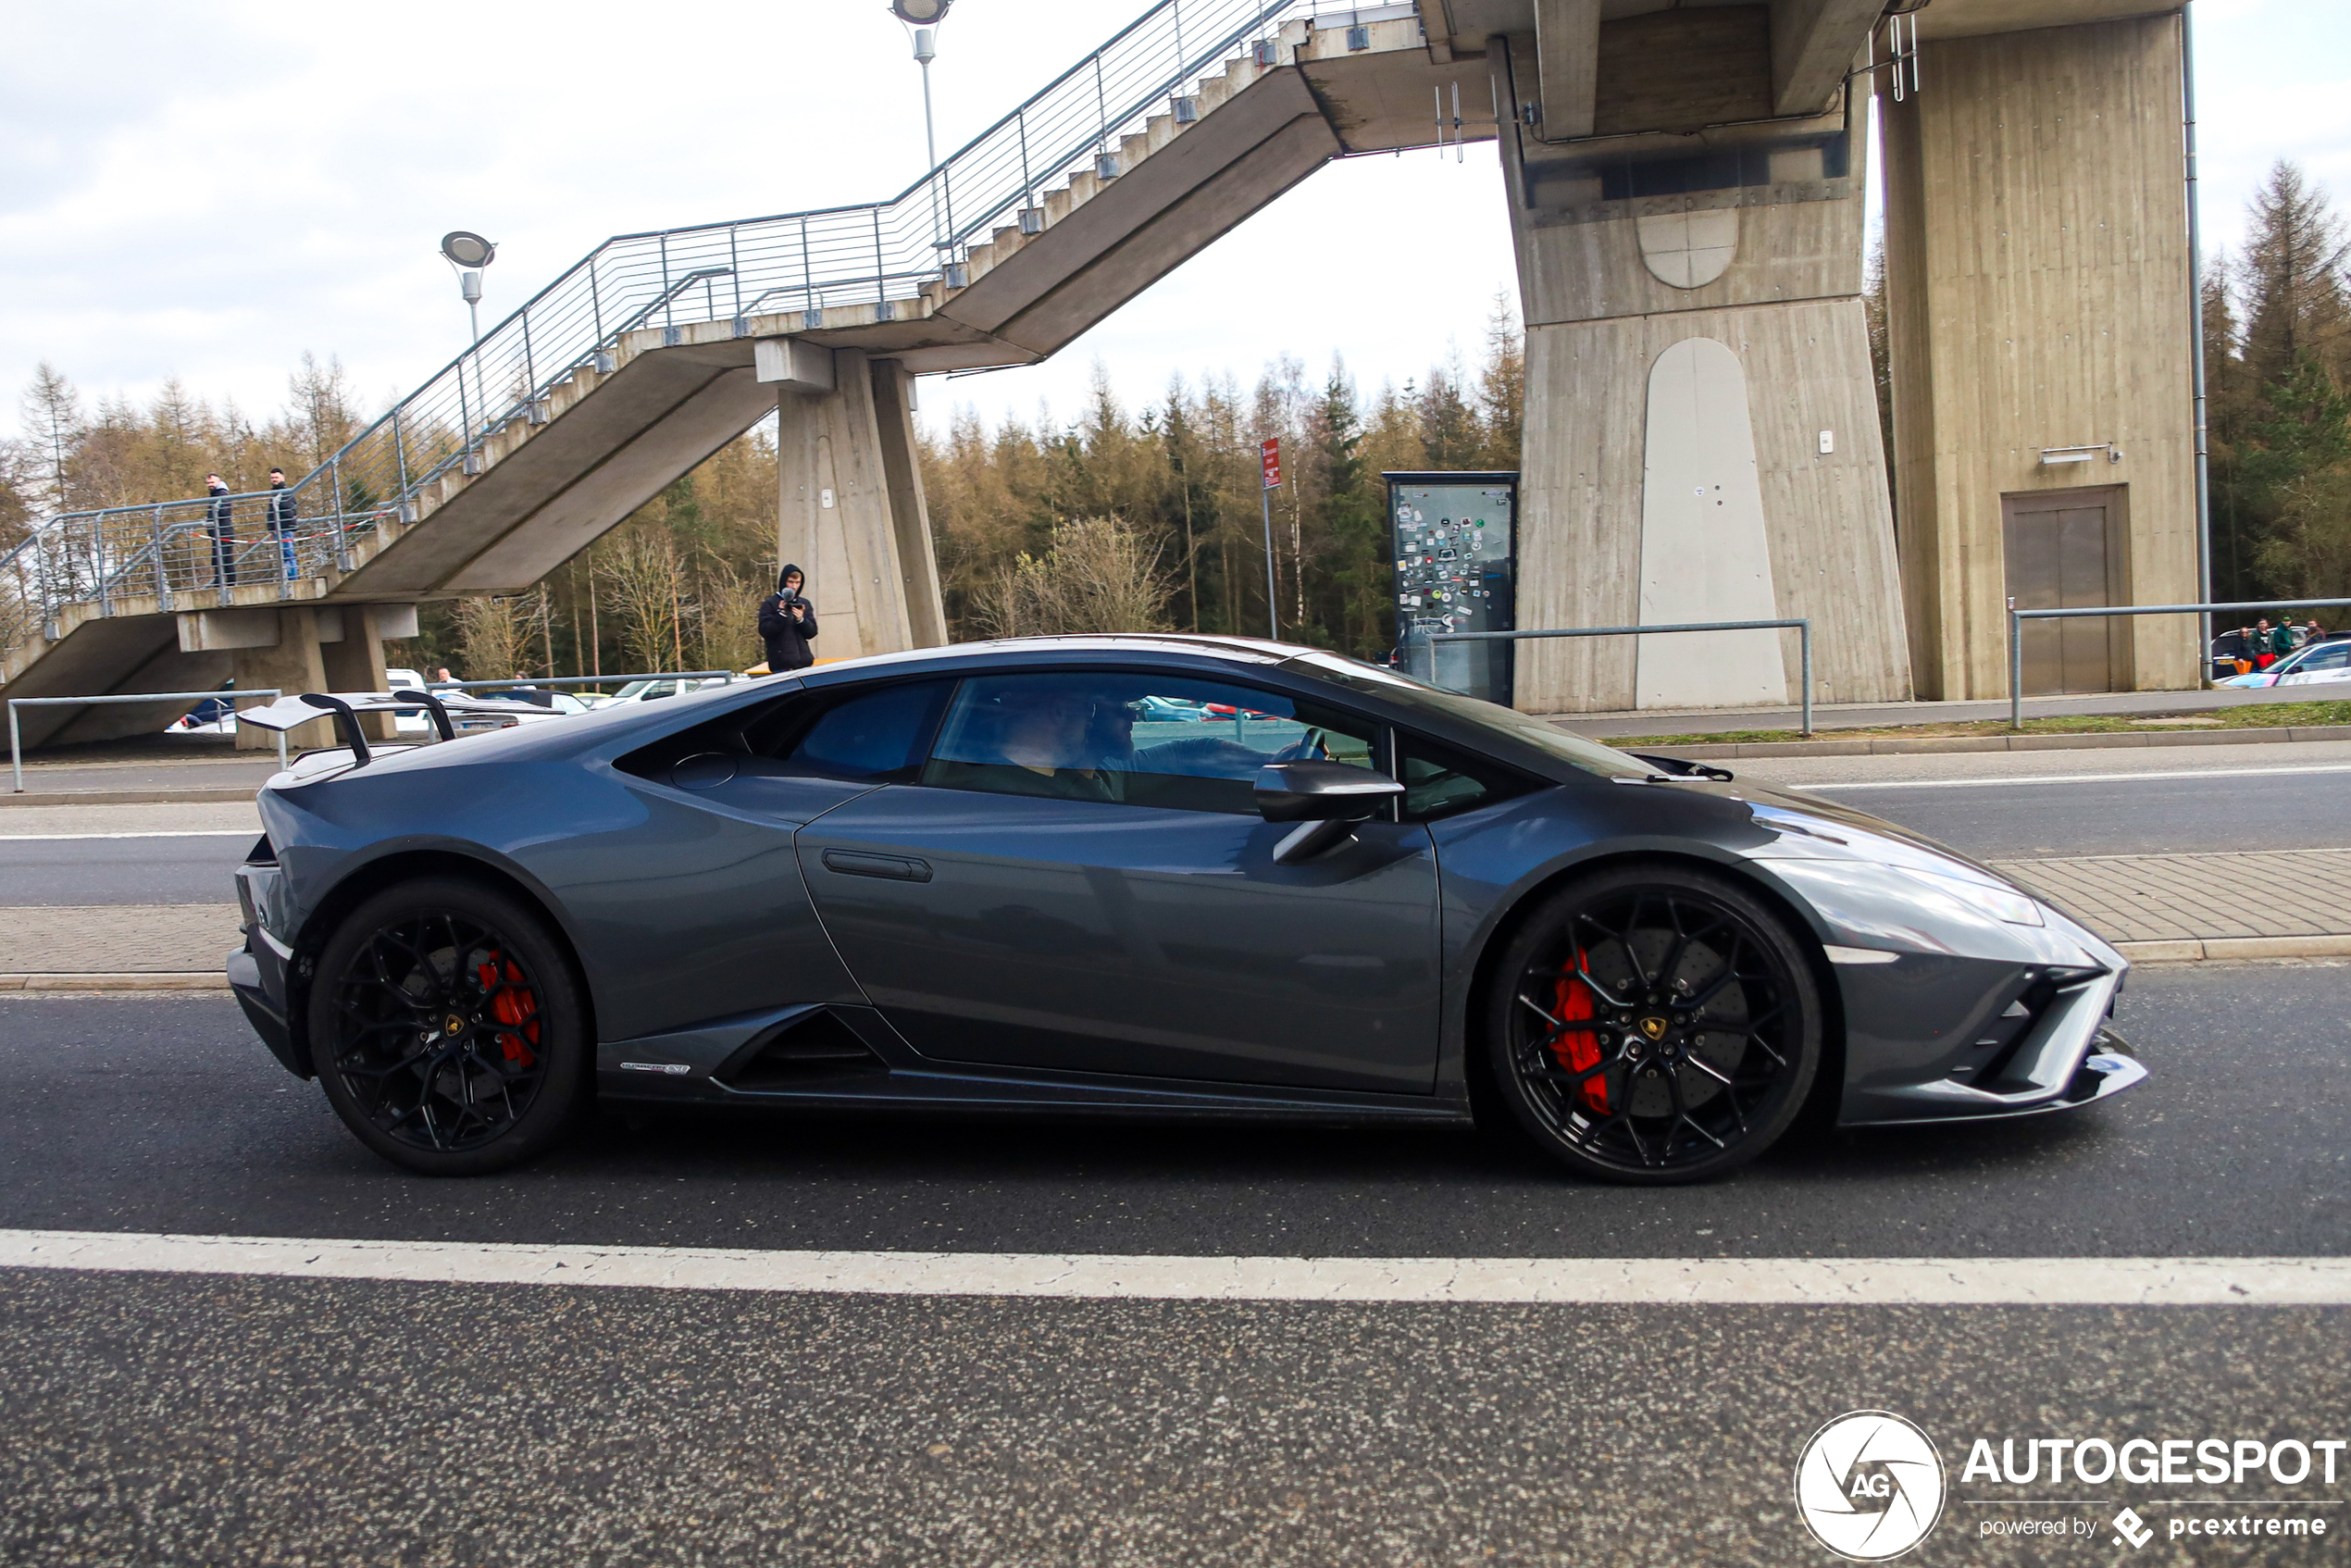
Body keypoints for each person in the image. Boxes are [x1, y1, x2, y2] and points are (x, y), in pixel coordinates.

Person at [758, 564, 819, 671]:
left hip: (804, 663)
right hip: (781, 665)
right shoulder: (770, 603)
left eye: (797, 582)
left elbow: (812, 632)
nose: (794, 586)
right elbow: (765, 631)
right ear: (783, 582)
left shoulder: (804, 603)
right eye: (790, 582)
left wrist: (801, 620)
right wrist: (781, 614)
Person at [205, 475, 237, 588]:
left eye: (212, 482)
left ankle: (223, 583)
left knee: (222, 559)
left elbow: (224, 511)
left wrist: (212, 520)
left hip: (223, 532)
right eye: (208, 483)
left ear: (218, 482)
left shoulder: (222, 494)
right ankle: (227, 583)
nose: (210, 485)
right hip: (220, 532)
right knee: (224, 559)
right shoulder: (216, 495)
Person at [267, 467, 298, 581]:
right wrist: (271, 528)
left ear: (282, 478)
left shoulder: (285, 492)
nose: (274, 479)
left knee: (288, 555)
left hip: (284, 530)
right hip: (279, 530)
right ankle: (289, 578)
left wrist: (277, 527)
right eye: (272, 478)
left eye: (276, 477)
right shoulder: (275, 493)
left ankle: (292, 579)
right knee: (284, 556)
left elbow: (288, 512)